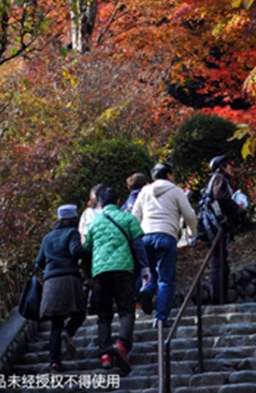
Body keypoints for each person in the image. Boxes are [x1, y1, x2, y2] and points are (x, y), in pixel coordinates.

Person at [83, 185, 151, 376]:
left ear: (101, 203)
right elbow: (138, 244)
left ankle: (105, 356)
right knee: (126, 311)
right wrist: (145, 268)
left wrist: (89, 275)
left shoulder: (94, 224)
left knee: (103, 315)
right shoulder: (128, 218)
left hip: (100, 273)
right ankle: (122, 345)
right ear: (118, 201)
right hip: (123, 270)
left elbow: (87, 250)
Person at [131, 161, 197, 327]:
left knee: (151, 274)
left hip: (146, 237)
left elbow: (135, 216)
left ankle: (145, 291)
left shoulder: (144, 192)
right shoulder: (176, 191)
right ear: (168, 175)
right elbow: (189, 215)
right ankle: (160, 318)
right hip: (166, 236)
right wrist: (193, 233)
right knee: (166, 280)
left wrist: (137, 237)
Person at [35, 204, 88, 372]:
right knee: (79, 313)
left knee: (55, 325)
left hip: (51, 282)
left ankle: (55, 363)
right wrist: (88, 252)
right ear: (73, 219)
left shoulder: (47, 237)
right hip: (69, 279)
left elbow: (39, 262)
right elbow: (76, 251)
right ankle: (69, 331)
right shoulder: (72, 233)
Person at [206, 155, 244, 304]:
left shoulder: (214, 179)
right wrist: (237, 208)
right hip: (217, 227)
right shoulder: (219, 179)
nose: (231, 168)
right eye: (228, 165)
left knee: (220, 262)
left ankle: (220, 296)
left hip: (212, 226)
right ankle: (217, 298)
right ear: (222, 166)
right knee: (218, 262)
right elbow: (221, 197)